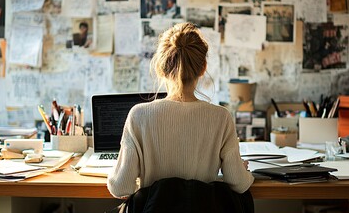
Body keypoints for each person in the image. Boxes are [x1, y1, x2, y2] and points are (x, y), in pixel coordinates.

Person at [108, 22, 254, 198]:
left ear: (161, 69)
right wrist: (243, 170)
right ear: (203, 68)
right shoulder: (221, 117)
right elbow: (238, 183)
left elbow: (120, 188)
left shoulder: (138, 116)